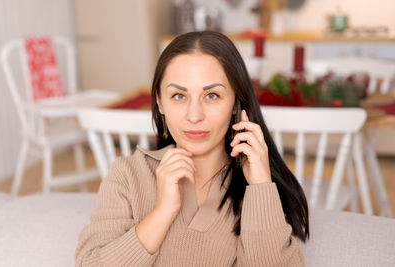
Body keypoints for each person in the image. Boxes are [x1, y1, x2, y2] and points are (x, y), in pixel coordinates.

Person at [75, 31, 309, 266]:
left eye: (212, 95)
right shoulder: (128, 175)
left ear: (236, 103)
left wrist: (260, 186)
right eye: (178, 95)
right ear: (160, 102)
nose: (194, 115)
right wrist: (163, 211)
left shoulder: (259, 185)